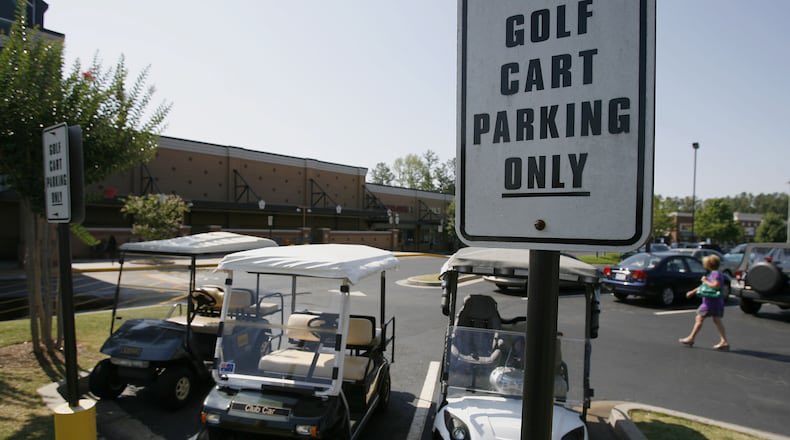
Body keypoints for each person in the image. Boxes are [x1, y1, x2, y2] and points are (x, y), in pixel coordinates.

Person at [678, 255, 730, 350]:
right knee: (716, 320)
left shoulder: (715, 274)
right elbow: (704, 286)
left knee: (699, 318)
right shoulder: (714, 274)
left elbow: (716, 285)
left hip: (710, 303)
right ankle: (724, 341)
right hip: (716, 302)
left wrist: (705, 281)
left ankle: (691, 338)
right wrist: (692, 292)